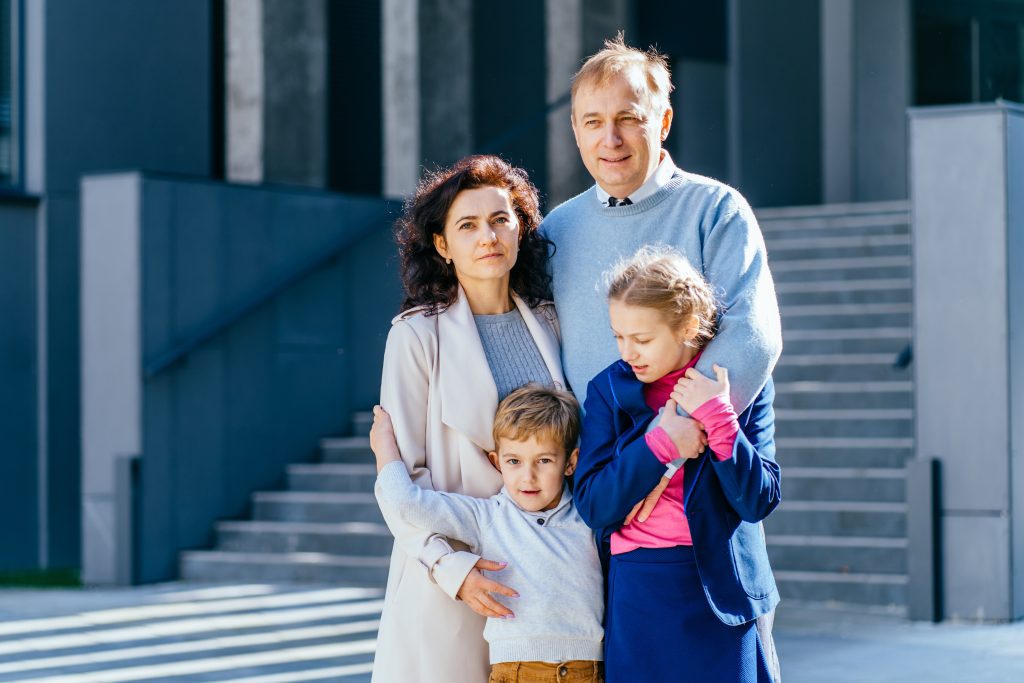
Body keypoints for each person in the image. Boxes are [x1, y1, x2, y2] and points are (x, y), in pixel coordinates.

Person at [540, 34, 783, 679]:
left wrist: (668, 443)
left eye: (629, 118)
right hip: (604, 508)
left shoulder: (716, 209)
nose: (610, 138)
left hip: (702, 504)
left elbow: (753, 340)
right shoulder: (555, 233)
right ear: (575, 129)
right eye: (592, 122)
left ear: (664, 121)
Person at [371, 155, 565, 682]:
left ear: (521, 229)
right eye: (468, 225)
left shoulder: (551, 320)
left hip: (546, 583)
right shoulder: (415, 336)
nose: (489, 236)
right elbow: (399, 480)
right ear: (442, 245)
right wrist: (453, 571)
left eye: (501, 219)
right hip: (455, 582)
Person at [573, 247, 781, 682]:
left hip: (722, 589)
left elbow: (758, 499)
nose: (628, 352)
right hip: (641, 589)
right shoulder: (608, 391)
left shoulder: (743, 381)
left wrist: (719, 416)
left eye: (642, 339)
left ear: (687, 326)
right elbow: (594, 503)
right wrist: (661, 444)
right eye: (618, 336)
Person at [371, 385, 604, 683]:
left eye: (544, 461)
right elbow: (406, 502)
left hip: (588, 672)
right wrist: (384, 448)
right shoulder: (488, 516)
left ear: (570, 463)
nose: (527, 476)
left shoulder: (589, 516)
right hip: (517, 672)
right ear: (496, 462)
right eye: (514, 461)